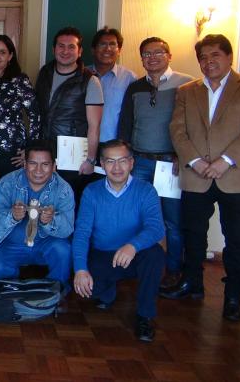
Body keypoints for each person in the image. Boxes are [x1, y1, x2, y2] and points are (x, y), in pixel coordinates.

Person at [162, 34, 240, 322]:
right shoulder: (187, 91)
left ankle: (234, 295)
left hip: (235, 175)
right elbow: (177, 130)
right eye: (203, 57)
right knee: (192, 234)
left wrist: (225, 161)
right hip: (196, 175)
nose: (208, 62)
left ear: (229, 57)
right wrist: (196, 161)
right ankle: (192, 283)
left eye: (215, 55)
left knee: (236, 237)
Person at [118, 37, 194, 288]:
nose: (152, 58)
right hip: (139, 161)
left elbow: (193, 125)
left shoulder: (186, 84)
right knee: (134, 217)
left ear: (169, 55)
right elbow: (126, 124)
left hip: (170, 164)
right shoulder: (135, 87)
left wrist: (183, 154)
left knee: (172, 221)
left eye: (158, 52)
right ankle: (135, 266)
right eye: (146, 54)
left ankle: (173, 269)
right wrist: (126, 156)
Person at [72, 139, 165, 342]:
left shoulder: (146, 190)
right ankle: (107, 289)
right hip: (103, 254)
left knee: (155, 255)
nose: (117, 167)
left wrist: (133, 246)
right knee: (86, 290)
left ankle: (145, 316)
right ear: (102, 164)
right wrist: (80, 269)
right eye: (110, 161)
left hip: (133, 255)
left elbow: (156, 228)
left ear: (131, 163)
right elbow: (82, 233)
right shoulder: (92, 192)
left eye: (122, 161)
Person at [0, 141, 75, 300]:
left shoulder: (63, 189)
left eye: (45, 164)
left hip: (45, 244)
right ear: (24, 164)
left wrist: (50, 221)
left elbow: (68, 229)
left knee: (64, 251)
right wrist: (12, 216)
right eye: (33, 163)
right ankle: (14, 288)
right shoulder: (7, 182)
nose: (38, 170)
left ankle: (54, 293)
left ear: (54, 166)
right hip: (12, 244)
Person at [35, 26, 104, 205]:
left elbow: (94, 126)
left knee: (68, 202)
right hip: (44, 150)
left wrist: (91, 160)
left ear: (80, 51)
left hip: (73, 156)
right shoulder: (44, 73)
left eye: (71, 47)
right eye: (61, 46)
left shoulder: (90, 80)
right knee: (43, 201)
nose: (65, 51)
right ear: (54, 49)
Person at [0, 35, 40, 184]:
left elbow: (35, 116)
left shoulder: (19, 80)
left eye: (2, 52)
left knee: (9, 194)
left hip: (12, 154)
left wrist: (30, 150)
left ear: (10, 56)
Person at [87, 27, 137, 143]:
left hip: (115, 146)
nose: (107, 49)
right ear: (93, 50)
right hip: (83, 144)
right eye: (102, 44)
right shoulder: (81, 75)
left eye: (112, 44)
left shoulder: (130, 78)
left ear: (119, 51)